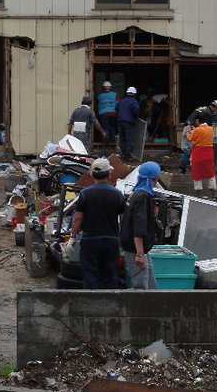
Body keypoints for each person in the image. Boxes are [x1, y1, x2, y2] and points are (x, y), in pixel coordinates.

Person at [68, 158, 125, 289]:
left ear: (92, 174)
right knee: (110, 276)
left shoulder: (85, 194)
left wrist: (72, 237)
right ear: (109, 174)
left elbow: (77, 218)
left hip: (90, 240)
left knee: (90, 276)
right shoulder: (118, 194)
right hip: (111, 240)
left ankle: (91, 305)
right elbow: (123, 219)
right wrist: (122, 240)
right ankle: (110, 305)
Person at [120, 161, 161, 289]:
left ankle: (152, 308)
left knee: (150, 283)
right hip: (136, 249)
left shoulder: (136, 193)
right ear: (155, 178)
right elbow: (139, 227)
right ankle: (141, 309)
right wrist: (139, 254)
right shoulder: (142, 197)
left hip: (140, 248)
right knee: (141, 286)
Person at [188, 111, 217, 197]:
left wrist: (189, 131)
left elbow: (190, 138)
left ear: (197, 120)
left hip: (198, 152)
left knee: (197, 172)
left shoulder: (197, 130)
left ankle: (198, 193)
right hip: (209, 152)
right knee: (210, 172)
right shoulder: (211, 129)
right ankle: (213, 193)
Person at [116, 86, 140, 160]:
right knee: (129, 139)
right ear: (135, 94)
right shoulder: (134, 102)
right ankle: (129, 155)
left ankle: (123, 154)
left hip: (120, 122)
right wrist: (135, 117)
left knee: (122, 139)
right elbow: (136, 111)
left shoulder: (121, 101)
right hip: (129, 123)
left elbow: (116, 108)